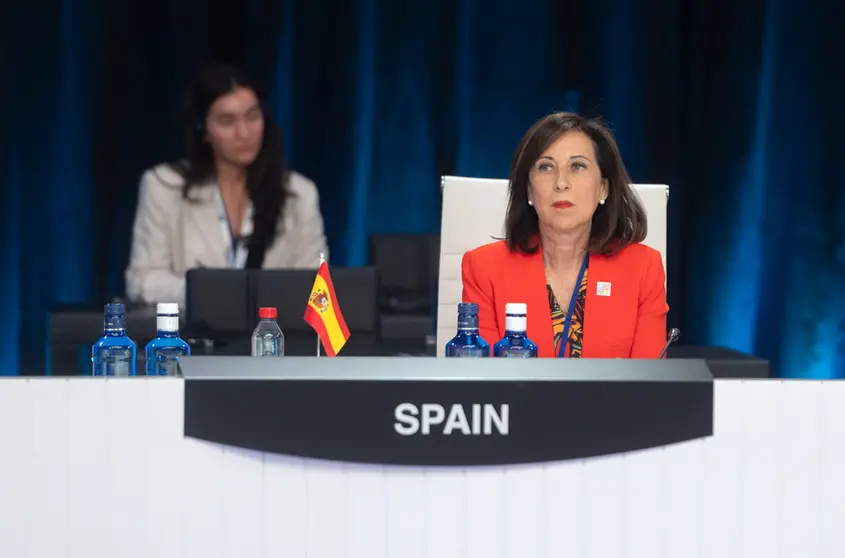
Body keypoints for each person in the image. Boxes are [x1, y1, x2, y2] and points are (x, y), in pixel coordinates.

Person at [461, 112, 668, 358]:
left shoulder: (642, 268)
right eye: (546, 167)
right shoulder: (484, 268)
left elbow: (650, 385)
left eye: (577, 166)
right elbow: (484, 382)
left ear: (603, 188)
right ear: (528, 189)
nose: (561, 183)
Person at [125, 63, 328, 306]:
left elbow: (316, 287)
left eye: (252, 116)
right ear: (204, 129)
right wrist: (217, 293)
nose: (244, 133)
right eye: (227, 121)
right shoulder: (164, 187)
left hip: (273, 337)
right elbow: (143, 280)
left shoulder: (298, 194)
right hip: (191, 338)